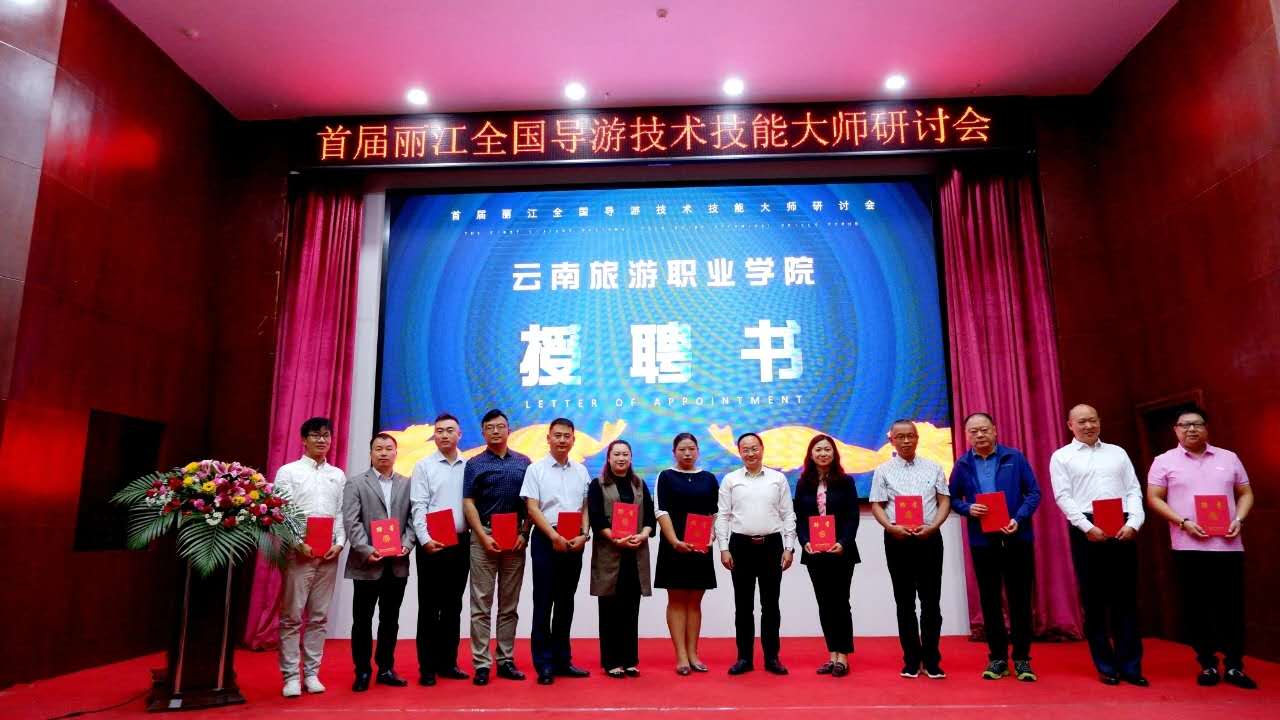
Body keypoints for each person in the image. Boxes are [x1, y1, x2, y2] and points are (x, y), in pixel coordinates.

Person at [1146, 408, 1257, 689]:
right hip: (1188, 546)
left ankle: (1234, 665)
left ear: (1206, 428)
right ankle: (1207, 663)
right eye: (1184, 425)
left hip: (1228, 545)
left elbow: (1245, 492)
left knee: (1232, 607)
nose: (1191, 429)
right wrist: (1182, 522)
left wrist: (1239, 519)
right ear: (1175, 430)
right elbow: (1154, 498)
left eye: (1196, 424)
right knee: (1197, 607)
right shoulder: (1163, 461)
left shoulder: (1229, 458)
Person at [1049, 404, 1147, 686]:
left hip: (1123, 525)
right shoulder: (1062, 457)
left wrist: (1134, 523)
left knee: (1125, 600)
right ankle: (1106, 666)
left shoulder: (1117, 452)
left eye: (1092, 420)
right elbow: (1063, 497)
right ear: (1070, 425)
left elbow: (1133, 490)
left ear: (1099, 421)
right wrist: (1087, 527)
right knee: (1094, 601)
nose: (1088, 426)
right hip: (1087, 528)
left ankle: (1131, 666)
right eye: (1082, 422)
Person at [949, 412, 1041, 682]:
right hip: (983, 542)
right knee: (990, 601)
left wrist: (1018, 518)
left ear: (995, 430)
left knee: (1020, 600)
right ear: (967, 435)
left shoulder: (1015, 457)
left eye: (984, 429)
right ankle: (998, 658)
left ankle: (1022, 659)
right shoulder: (962, 464)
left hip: (1017, 537)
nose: (980, 435)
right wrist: (968, 508)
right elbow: (952, 498)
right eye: (973, 431)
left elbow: (1033, 493)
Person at [869, 419, 951, 680]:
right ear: (891, 440)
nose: (906, 441)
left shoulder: (934, 467)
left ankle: (932, 660)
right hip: (897, 540)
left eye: (910, 436)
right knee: (904, 603)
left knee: (931, 602)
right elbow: (877, 505)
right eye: (900, 437)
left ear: (917, 438)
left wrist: (934, 526)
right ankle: (912, 660)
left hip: (929, 538)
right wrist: (890, 527)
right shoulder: (883, 470)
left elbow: (944, 500)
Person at [276, 416, 347, 698]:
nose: (322, 440)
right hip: (299, 553)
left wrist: (340, 543)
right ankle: (291, 676)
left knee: (318, 617)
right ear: (303, 440)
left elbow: (340, 512)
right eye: (316, 435)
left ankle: (312, 673)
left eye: (326, 435)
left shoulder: (337, 475)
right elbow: (283, 512)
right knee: (292, 617)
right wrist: (298, 542)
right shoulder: (288, 472)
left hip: (328, 553)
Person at [715, 432, 797, 676]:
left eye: (754, 448)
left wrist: (789, 547)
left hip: (772, 546)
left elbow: (788, 514)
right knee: (743, 606)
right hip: (740, 546)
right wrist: (724, 548)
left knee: (771, 605)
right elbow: (723, 516)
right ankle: (744, 658)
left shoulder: (778, 479)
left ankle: (772, 658)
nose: (750, 453)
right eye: (745, 449)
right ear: (739, 452)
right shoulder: (730, 479)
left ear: (762, 449)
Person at [462, 409, 532, 686]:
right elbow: (468, 502)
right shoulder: (474, 464)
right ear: (482, 432)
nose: (495, 431)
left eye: (500, 426)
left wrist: (524, 533)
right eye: (489, 427)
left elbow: (531, 503)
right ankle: (481, 663)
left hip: (515, 538)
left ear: (508, 430)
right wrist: (481, 535)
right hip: (484, 536)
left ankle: (506, 660)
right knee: (481, 604)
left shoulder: (524, 463)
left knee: (509, 604)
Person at [520, 418, 592, 685]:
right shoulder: (535, 469)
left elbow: (586, 506)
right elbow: (532, 508)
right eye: (557, 435)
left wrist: (585, 534)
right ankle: (544, 663)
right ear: (548, 438)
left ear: (573, 439)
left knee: (565, 602)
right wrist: (553, 536)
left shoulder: (581, 471)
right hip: (546, 539)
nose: (562, 440)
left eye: (567, 436)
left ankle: (563, 660)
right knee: (543, 601)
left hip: (574, 540)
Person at [343, 433, 415, 691]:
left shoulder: (407, 484)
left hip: (397, 564)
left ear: (396, 453)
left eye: (388, 448)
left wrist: (407, 543)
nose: (383, 453)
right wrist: (366, 549)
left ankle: (386, 668)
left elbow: (413, 519)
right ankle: (362, 670)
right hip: (367, 564)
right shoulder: (355, 483)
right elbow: (351, 522)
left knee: (390, 619)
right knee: (362, 620)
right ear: (371, 453)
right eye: (378, 449)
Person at [410, 413, 472, 686]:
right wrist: (425, 540)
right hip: (431, 545)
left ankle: (448, 663)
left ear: (459, 434)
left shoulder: (469, 466)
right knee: (428, 606)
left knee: (453, 606)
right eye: (439, 431)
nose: (444, 435)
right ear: (434, 435)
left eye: (449, 430)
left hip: (461, 543)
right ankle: (427, 667)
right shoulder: (423, 466)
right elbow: (418, 506)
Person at [588, 439, 656, 678]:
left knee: (631, 609)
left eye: (625, 454)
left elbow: (650, 517)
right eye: (616, 454)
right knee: (609, 610)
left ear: (631, 457)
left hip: (635, 555)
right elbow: (596, 518)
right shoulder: (598, 484)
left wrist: (643, 534)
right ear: (608, 458)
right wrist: (615, 538)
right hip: (610, 554)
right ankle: (611, 661)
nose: (621, 458)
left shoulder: (639, 484)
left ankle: (630, 660)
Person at [794, 434, 861, 677]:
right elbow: (800, 518)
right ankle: (832, 654)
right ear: (811, 454)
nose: (823, 453)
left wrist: (843, 542)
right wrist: (805, 542)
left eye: (827, 449)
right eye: (818, 450)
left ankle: (843, 656)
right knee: (824, 603)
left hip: (841, 552)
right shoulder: (803, 483)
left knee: (840, 602)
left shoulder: (846, 481)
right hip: (815, 553)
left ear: (834, 453)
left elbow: (853, 516)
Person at [654, 433, 718, 675]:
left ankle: (693, 654)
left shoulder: (709, 478)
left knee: (695, 601)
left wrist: (711, 536)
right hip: (674, 547)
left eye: (691, 448)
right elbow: (661, 510)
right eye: (682, 449)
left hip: (701, 547)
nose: (687, 453)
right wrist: (674, 541)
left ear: (698, 451)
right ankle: (681, 655)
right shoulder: (665, 476)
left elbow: (715, 512)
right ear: (674, 452)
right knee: (677, 600)